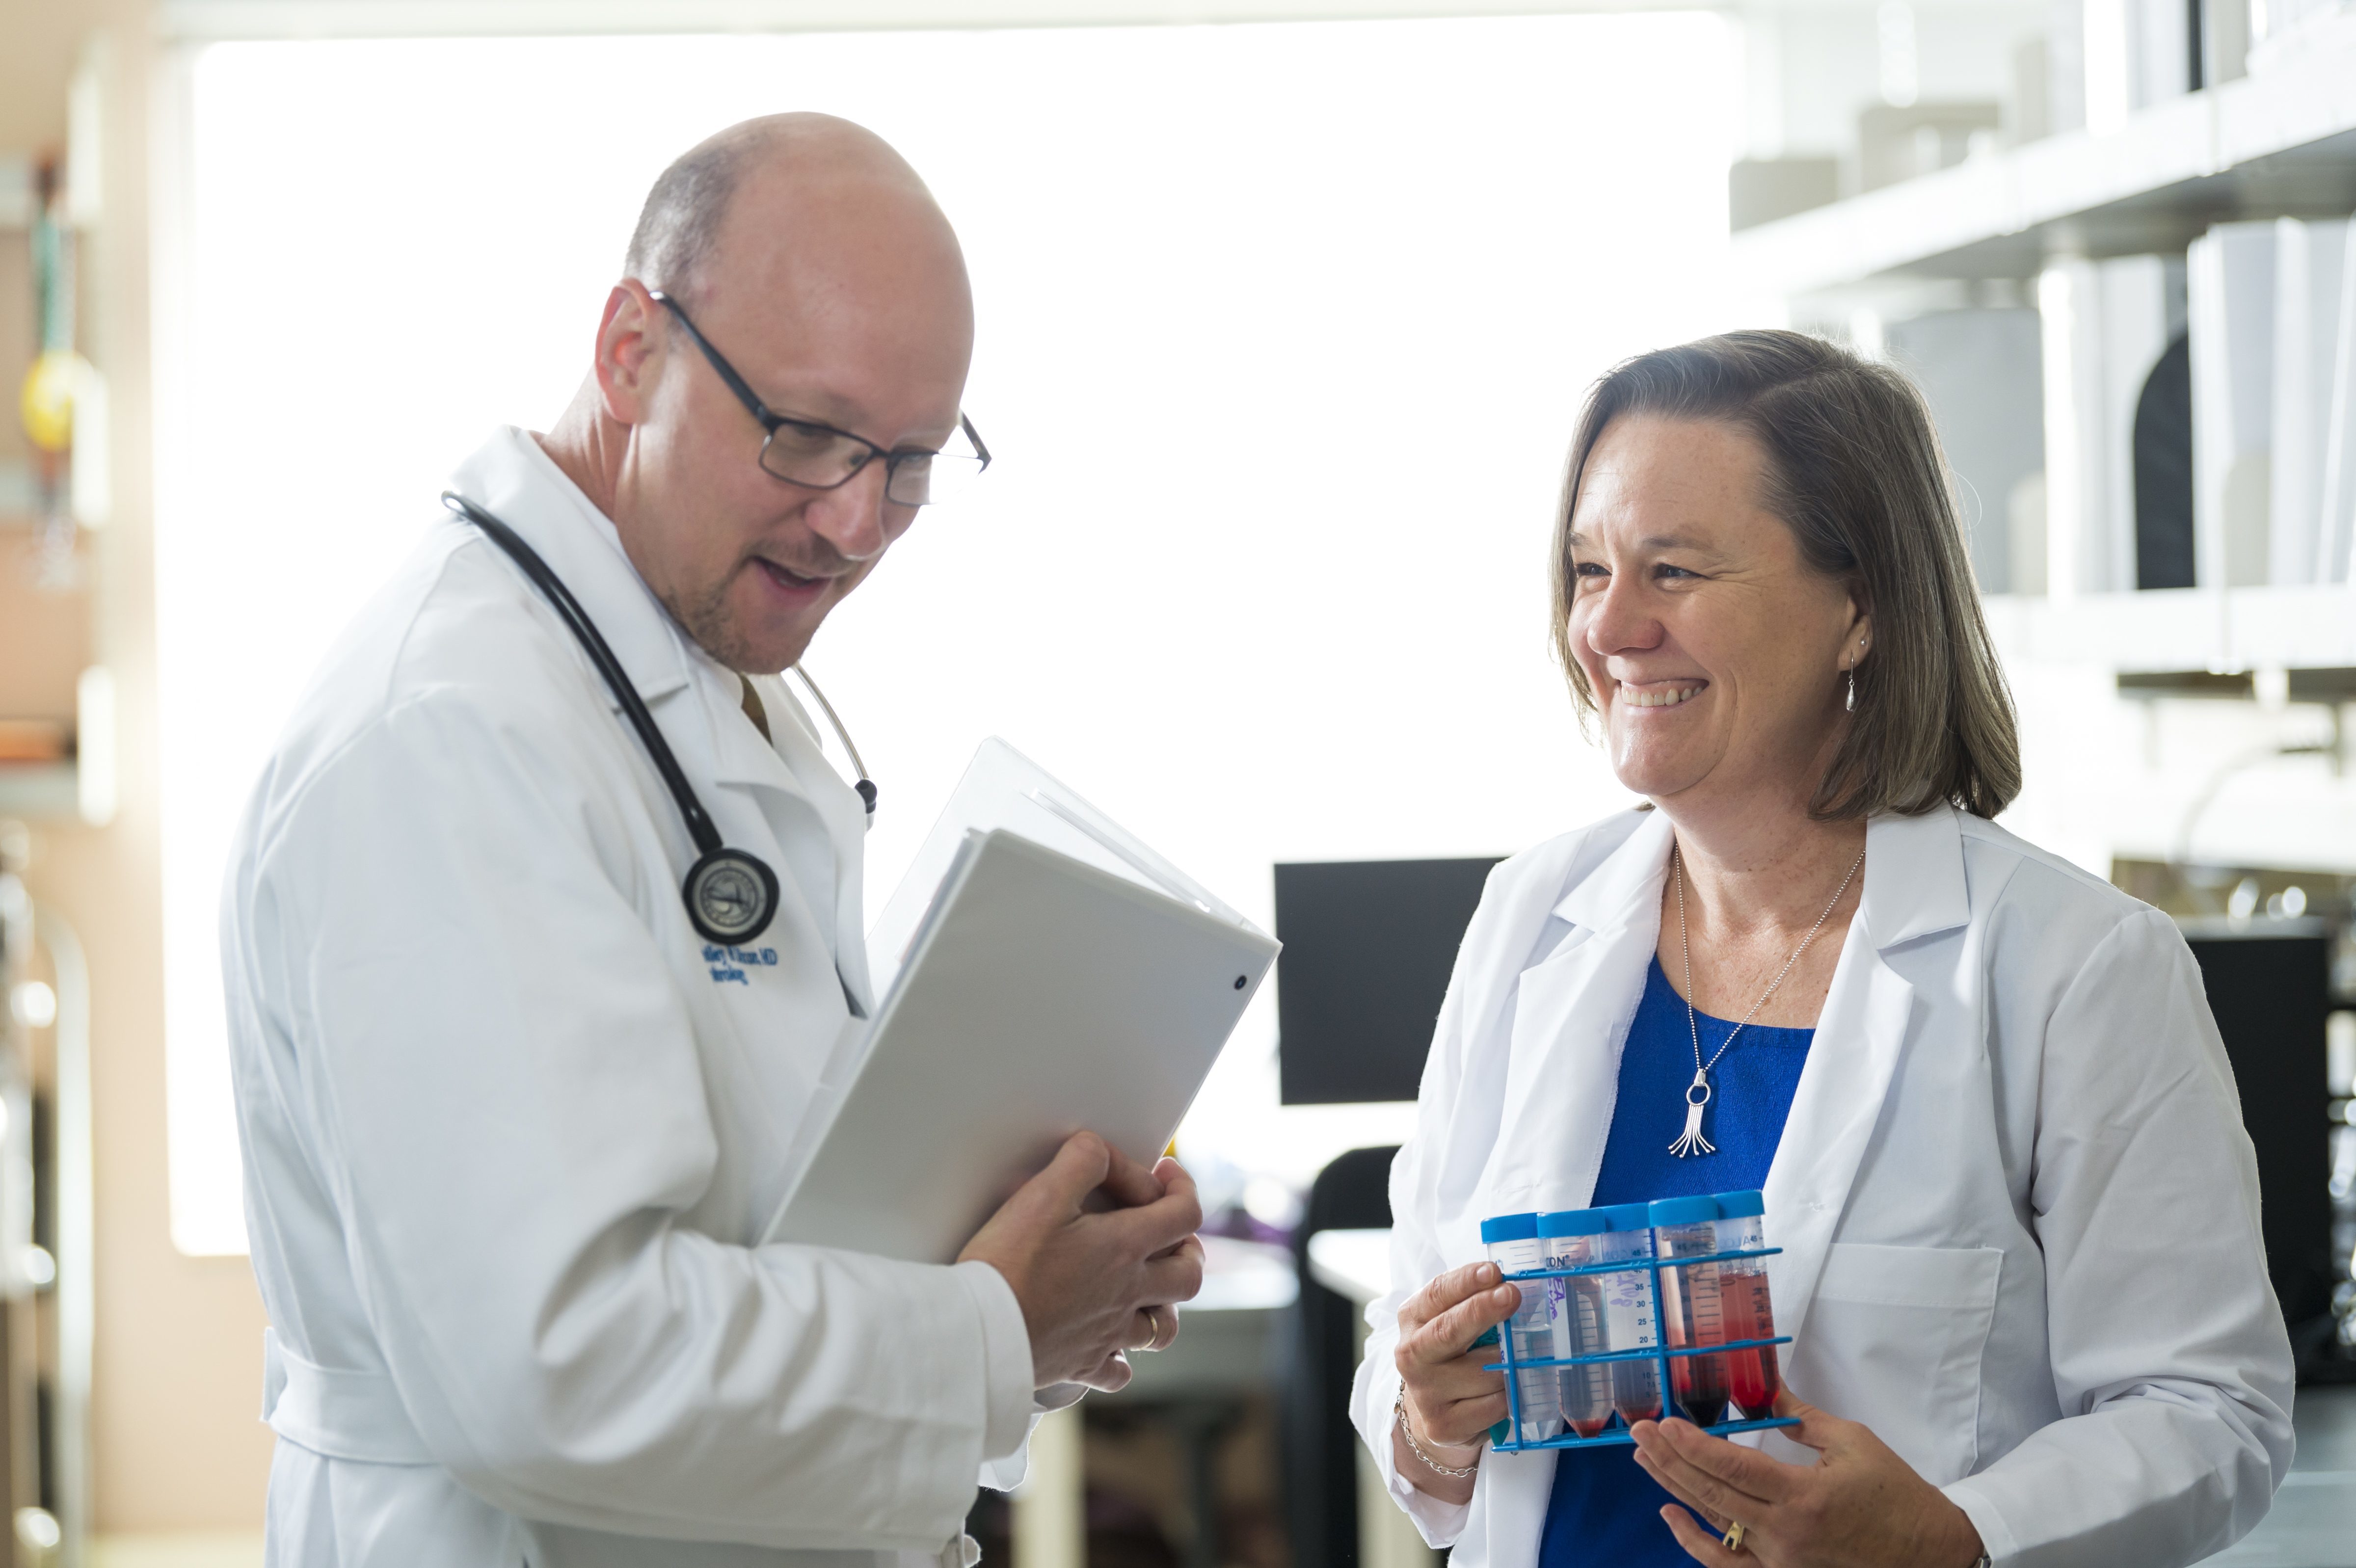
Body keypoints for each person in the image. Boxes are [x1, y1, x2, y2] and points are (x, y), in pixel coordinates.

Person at [222, 114, 1205, 1568]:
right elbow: (557, 1367)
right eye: (807, 436)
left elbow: (765, 1216)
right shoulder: (444, 733)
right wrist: (985, 1329)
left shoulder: (694, 679)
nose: (858, 522)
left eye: (913, 462)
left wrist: (1038, 1253)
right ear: (631, 349)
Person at [1349, 330, 2294, 1568]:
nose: (1611, 626)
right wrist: (1428, 1417)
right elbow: (1406, 1341)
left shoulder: (2076, 969)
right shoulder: (1533, 915)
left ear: (1859, 608)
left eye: (1674, 571)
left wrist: (1955, 1533)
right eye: (1589, 569)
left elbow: (2210, 1415)